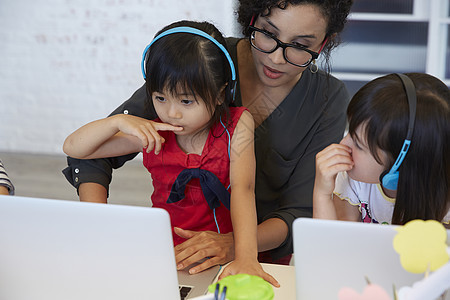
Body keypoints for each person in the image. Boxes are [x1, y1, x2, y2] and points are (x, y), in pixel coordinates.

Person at [63, 0, 353, 273]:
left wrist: (235, 246)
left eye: (301, 45)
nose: (277, 58)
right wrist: (97, 227)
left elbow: (299, 212)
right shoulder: (201, 58)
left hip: (257, 259)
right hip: (172, 252)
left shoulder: (327, 99)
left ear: (324, 43)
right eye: (267, 33)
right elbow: (93, 151)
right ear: (250, 18)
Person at [63, 20, 278, 286]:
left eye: (186, 101)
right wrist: (116, 122)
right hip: (166, 253)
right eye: (160, 98)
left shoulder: (237, 125)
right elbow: (75, 149)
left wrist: (246, 258)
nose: (171, 112)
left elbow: (245, 191)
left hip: (219, 257)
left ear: (221, 94)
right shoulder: (155, 131)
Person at [313, 73, 450, 227]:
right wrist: (322, 194)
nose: (343, 144)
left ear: (400, 164)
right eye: (349, 131)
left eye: (358, 144)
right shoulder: (353, 178)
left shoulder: (444, 202)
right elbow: (334, 244)